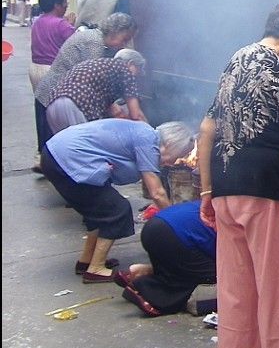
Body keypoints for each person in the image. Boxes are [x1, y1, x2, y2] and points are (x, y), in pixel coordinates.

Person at [197, 1, 279, 348]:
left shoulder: (236, 58)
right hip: (267, 192)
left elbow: (206, 128)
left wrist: (206, 191)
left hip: (224, 188)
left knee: (236, 296)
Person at [40, 119, 195, 282]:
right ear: (169, 143)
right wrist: (176, 224)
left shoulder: (144, 133)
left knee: (99, 210)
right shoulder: (148, 141)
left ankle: (86, 262)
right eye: (176, 155)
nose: (171, 163)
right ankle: (96, 269)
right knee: (117, 210)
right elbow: (157, 192)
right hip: (66, 160)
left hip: (56, 155)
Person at [33, 12, 137, 173]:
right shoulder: (93, 42)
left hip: (57, 94)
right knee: (69, 144)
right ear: (114, 31)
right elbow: (93, 78)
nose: (123, 45)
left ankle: (59, 171)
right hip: (56, 94)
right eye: (124, 39)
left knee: (59, 145)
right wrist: (113, 107)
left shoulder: (96, 39)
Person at [112, 200, 216, 317]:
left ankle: (143, 272)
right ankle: (150, 292)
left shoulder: (217, 202)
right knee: (217, 279)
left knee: (185, 267)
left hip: (155, 227)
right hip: (174, 239)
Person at [45, 49, 148, 134]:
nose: (134, 78)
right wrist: (150, 133)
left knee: (67, 151)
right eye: (137, 73)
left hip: (52, 104)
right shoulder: (125, 70)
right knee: (84, 152)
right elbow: (136, 115)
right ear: (131, 64)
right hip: (75, 105)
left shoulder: (102, 66)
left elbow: (115, 113)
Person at [29, 0, 77, 165]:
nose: (67, 6)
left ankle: (42, 153)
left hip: (35, 69)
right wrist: (72, 24)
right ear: (57, 4)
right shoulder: (61, 24)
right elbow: (74, 43)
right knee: (56, 114)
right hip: (52, 70)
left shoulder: (38, 21)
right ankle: (51, 158)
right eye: (65, 2)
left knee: (42, 111)